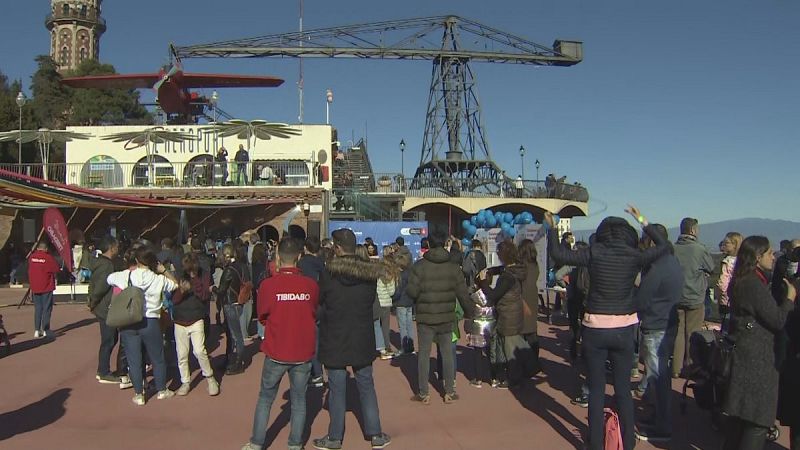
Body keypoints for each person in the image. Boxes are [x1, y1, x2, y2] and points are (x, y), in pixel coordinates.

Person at [544, 205, 669, 450]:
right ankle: (628, 442)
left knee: (597, 389)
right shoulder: (635, 256)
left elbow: (559, 255)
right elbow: (665, 246)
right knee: (623, 390)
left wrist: (552, 228)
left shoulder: (593, 253)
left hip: (595, 327)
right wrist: (642, 219)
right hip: (624, 328)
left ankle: (596, 443)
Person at [313, 229, 391, 450]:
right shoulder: (368, 274)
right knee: (366, 384)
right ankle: (375, 434)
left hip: (335, 335)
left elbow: (321, 303)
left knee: (337, 389)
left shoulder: (328, 274)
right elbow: (370, 303)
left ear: (337, 248)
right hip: (361, 335)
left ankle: (335, 438)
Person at [242, 237, 319, 450]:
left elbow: (263, 315)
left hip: (277, 349)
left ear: (277, 257)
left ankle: (257, 442)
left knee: (266, 398)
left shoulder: (268, 285)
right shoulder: (310, 285)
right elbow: (313, 312)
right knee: (299, 400)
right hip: (302, 351)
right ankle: (294, 444)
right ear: (300, 257)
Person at [722, 236, 796, 450]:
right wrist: (790, 299)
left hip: (746, 355)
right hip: (757, 361)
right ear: (758, 256)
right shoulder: (754, 284)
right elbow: (777, 320)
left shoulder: (742, 279)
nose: (774, 258)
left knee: (739, 420)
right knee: (757, 422)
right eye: (770, 253)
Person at [406, 231, 473, 404]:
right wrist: (470, 313)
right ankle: (449, 391)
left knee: (424, 355)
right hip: (447, 316)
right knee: (447, 354)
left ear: (427, 243)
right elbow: (463, 294)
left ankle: (423, 393)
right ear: (445, 242)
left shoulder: (419, 266)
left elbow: (412, 292)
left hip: (426, 317)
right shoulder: (453, 267)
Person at [632, 224, 684, 443]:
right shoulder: (672, 262)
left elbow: (642, 299)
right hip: (668, 322)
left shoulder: (657, 268)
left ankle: (662, 426)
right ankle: (659, 418)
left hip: (656, 325)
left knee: (658, 378)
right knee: (660, 377)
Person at [107, 246, 178, 406]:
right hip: (151, 320)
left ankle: (139, 394)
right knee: (157, 357)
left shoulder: (127, 275)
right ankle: (161, 390)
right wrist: (163, 270)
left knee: (134, 359)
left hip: (130, 321)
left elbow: (109, 279)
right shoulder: (158, 278)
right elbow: (175, 284)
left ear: (137, 260)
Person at [478, 240, 528, 388]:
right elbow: (501, 269)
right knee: (513, 345)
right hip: (514, 312)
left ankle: (513, 379)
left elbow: (493, 295)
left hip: (508, 315)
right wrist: (491, 271)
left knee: (510, 349)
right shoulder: (516, 269)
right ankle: (515, 374)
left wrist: (483, 282)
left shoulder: (507, 277)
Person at [672, 217, 714, 378]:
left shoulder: (673, 248)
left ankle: (675, 368)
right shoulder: (699, 249)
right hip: (695, 296)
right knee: (693, 333)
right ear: (693, 230)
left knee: (678, 333)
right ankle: (690, 367)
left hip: (676, 297)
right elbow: (711, 267)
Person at [172, 254, 219, 397]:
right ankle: (185, 381)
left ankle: (210, 378)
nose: (191, 272)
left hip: (197, 318)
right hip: (180, 320)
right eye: (188, 270)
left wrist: (194, 284)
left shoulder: (204, 275)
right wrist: (181, 291)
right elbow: (174, 300)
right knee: (182, 354)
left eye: (193, 269)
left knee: (199, 351)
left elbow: (205, 296)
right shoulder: (178, 275)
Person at [87, 235, 129, 387]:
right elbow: (100, 287)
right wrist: (93, 302)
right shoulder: (107, 266)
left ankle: (103, 370)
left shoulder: (100, 263)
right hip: (106, 308)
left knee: (110, 338)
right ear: (111, 248)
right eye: (116, 246)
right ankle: (103, 371)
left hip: (103, 307)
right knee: (109, 339)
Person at [212, 244, 248, 375]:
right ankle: (230, 359)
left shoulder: (228, 270)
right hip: (239, 301)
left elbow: (221, 290)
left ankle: (238, 362)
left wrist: (213, 289)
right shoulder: (242, 266)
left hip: (230, 303)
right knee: (231, 333)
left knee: (235, 335)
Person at [297, 236, 325, 386]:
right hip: (319, 304)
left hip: (305, 303)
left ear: (306, 248)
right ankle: (318, 373)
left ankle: (312, 373)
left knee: (305, 341)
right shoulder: (322, 263)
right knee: (317, 340)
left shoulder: (301, 264)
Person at [27, 241, 60, 339]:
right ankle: (46, 329)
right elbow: (56, 269)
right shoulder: (48, 258)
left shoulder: (32, 257)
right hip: (46, 287)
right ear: (46, 249)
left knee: (38, 309)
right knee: (47, 308)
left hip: (35, 287)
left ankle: (37, 330)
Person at [718, 232, 743, 332]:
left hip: (726, 300)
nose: (724, 244)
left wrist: (722, 294)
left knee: (725, 329)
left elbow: (722, 283)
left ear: (735, 244)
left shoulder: (727, 262)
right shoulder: (743, 261)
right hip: (740, 299)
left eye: (727, 242)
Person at [376, 250, 399, 359]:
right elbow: (392, 292)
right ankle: (386, 346)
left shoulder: (377, 273)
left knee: (376, 326)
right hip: (386, 303)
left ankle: (379, 346)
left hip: (377, 302)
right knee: (385, 327)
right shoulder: (390, 276)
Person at [392, 252, 415, 355]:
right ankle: (410, 346)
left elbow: (397, 291)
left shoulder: (400, 276)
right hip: (409, 302)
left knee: (402, 326)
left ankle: (404, 347)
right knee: (409, 325)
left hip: (401, 303)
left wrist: (392, 299)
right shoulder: (410, 273)